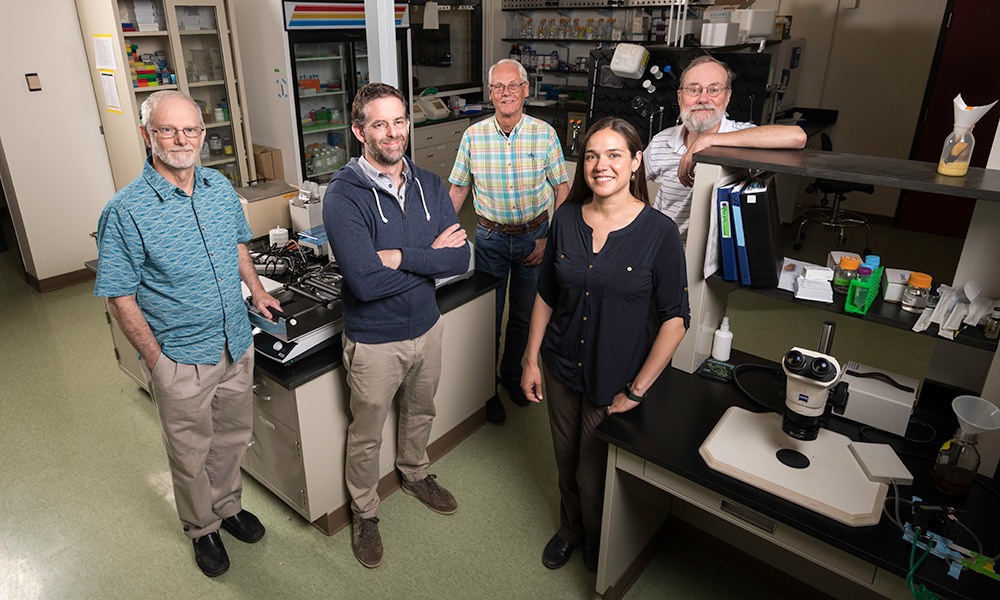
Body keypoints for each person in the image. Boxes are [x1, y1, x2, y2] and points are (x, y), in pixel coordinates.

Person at [94, 90, 281, 577]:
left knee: (232, 438)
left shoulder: (219, 186)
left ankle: (229, 505)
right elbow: (120, 296)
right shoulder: (125, 211)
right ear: (147, 136)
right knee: (190, 451)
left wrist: (256, 292)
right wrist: (157, 361)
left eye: (191, 129)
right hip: (179, 357)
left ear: (203, 134)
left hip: (236, 342)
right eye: (168, 130)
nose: (182, 139)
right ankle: (202, 528)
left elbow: (239, 244)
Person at [521, 117, 690, 573]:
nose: (601, 165)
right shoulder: (568, 219)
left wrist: (637, 389)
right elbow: (546, 294)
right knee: (564, 460)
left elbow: (676, 320)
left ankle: (599, 539)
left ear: (636, 162)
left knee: (593, 473)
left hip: (613, 375)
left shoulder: (659, 234)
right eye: (592, 155)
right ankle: (570, 529)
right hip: (560, 367)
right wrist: (531, 357)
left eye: (615, 154)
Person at [324, 83, 471, 569]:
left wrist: (401, 256)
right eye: (381, 123)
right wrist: (430, 258)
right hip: (374, 341)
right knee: (366, 433)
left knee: (420, 412)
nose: (394, 132)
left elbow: (462, 258)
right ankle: (366, 511)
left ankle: (414, 473)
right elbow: (365, 282)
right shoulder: (344, 196)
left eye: (400, 120)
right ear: (359, 130)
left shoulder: (430, 184)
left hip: (428, 327)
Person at [449, 58, 570, 424]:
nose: (506, 93)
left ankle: (511, 376)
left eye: (513, 85)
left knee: (522, 316)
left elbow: (562, 191)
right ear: (490, 94)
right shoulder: (474, 136)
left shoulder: (544, 134)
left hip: (535, 238)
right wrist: (434, 234)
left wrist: (548, 240)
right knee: (487, 316)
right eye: (499, 87)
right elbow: (458, 190)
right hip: (490, 238)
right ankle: (486, 390)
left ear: (525, 90)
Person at [645, 55, 807, 241]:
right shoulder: (661, 142)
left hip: (718, 259)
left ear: (727, 97)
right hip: (665, 248)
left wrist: (708, 141)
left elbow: (797, 137)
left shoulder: (744, 138)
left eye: (714, 89)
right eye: (693, 89)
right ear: (680, 97)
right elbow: (630, 185)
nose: (703, 98)